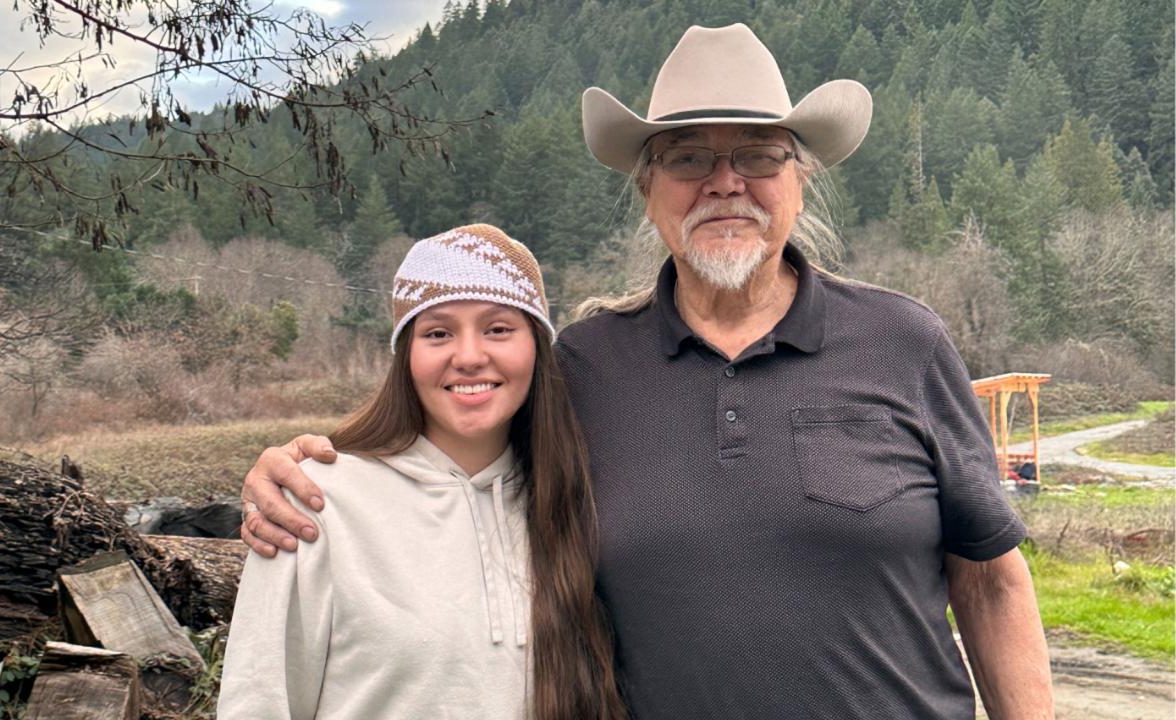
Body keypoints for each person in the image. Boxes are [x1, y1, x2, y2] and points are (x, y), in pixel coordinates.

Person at [238, 25, 1054, 720]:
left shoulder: (902, 342)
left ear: (801, 180)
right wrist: (305, 470)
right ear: (649, 189)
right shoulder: (585, 368)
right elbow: (456, 438)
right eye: (688, 156)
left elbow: (991, 587)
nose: (725, 182)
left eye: (759, 155)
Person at [219, 224, 627, 720]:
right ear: (406, 355)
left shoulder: (577, 497)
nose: (470, 356)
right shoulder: (315, 502)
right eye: (437, 333)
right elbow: (258, 702)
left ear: (537, 347)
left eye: (499, 328)